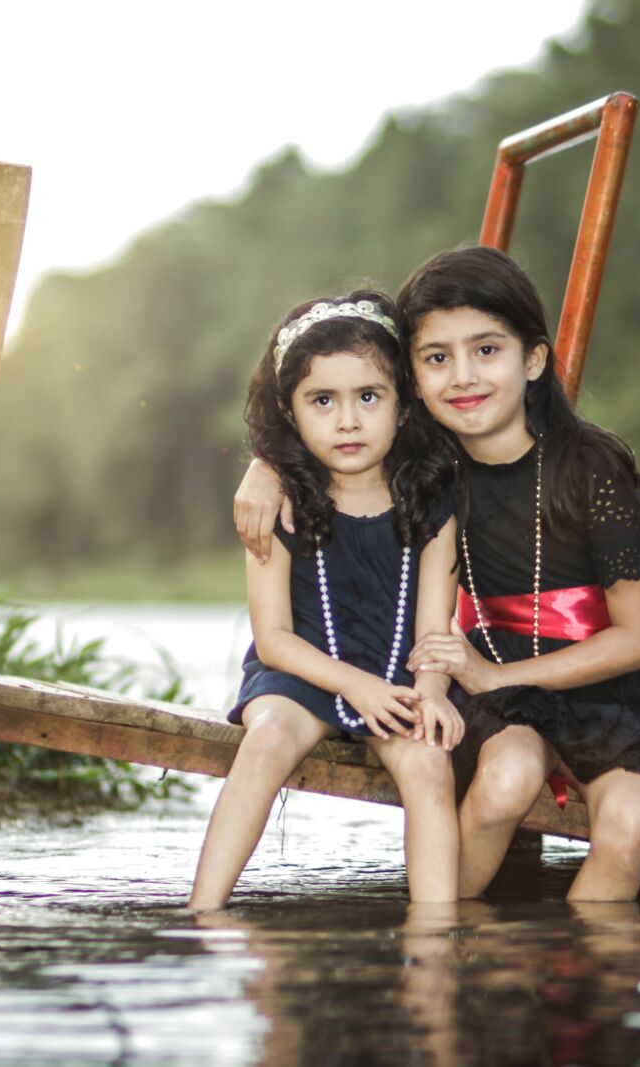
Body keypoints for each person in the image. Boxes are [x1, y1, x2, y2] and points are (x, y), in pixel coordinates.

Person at [234, 248, 640, 901]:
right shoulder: (430, 460)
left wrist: (495, 677)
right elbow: (321, 418)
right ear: (413, 381)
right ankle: (439, 952)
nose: (463, 377)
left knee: (631, 821)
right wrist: (265, 464)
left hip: (610, 687)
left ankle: (584, 990)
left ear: (533, 359)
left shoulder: (592, 468)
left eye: (487, 350)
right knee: (506, 778)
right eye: (436, 359)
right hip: (497, 685)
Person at [189, 290, 464, 910]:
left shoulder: (431, 504)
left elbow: (432, 630)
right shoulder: (281, 503)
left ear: (403, 404)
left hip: (397, 674)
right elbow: (273, 640)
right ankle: (203, 912)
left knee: (428, 763)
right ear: (291, 413)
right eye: (322, 401)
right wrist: (352, 686)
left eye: (369, 397)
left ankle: (436, 938)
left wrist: (432, 694)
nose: (348, 421)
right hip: (300, 674)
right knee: (265, 743)